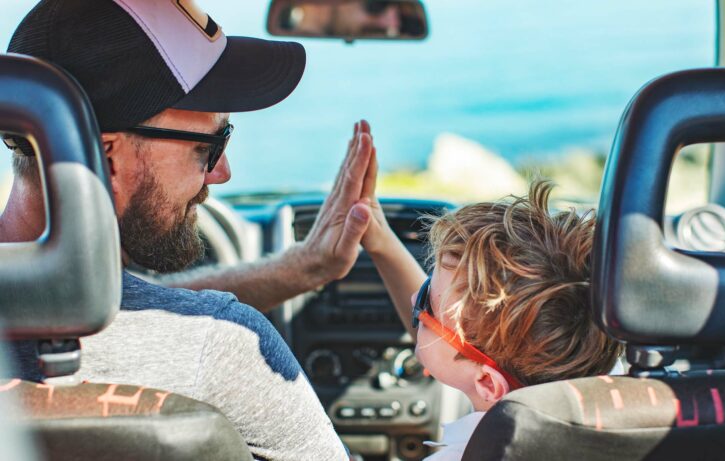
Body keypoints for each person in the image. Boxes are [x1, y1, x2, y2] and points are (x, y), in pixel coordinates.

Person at [1, 0, 379, 459]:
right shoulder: (219, 345)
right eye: (211, 146)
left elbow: (132, 306)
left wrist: (302, 269)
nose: (223, 173)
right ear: (105, 158)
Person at [359, 179, 624, 460]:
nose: (413, 299)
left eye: (426, 304)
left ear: (488, 384)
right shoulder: (612, 377)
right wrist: (381, 242)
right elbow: (456, 340)